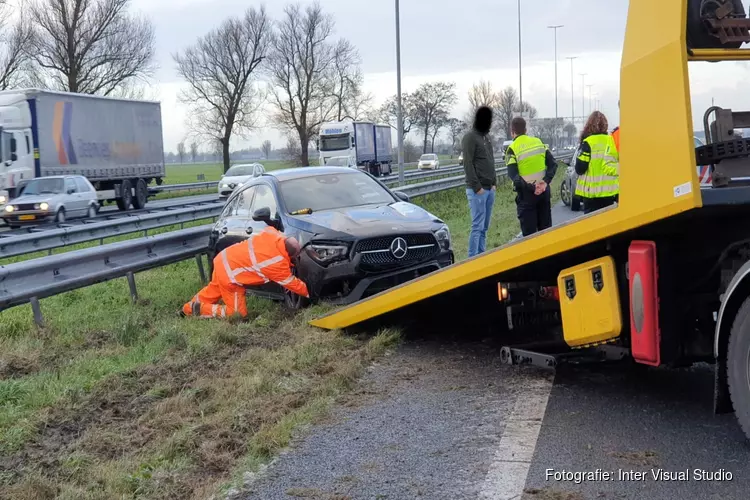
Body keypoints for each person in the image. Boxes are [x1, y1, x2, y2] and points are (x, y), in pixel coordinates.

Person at [181, 226, 309, 319]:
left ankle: (188, 308)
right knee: (237, 314)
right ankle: (201, 309)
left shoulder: (275, 235)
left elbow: (271, 228)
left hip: (223, 259)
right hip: (231, 275)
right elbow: (292, 283)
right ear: (288, 254)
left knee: (214, 289)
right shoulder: (275, 263)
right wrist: (310, 293)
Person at [504, 117, 558, 237]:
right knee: (546, 234)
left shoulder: (512, 149)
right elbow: (553, 164)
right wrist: (545, 182)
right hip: (544, 193)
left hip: (527, 196)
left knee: (530, 238)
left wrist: (533, 189)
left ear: (512, 131)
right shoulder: (539, 142)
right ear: (526, 129)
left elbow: (515, 178)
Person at [462, 105, 497, 257]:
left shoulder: (486, 138)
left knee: (484, 227)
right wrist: (477, 187)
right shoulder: (470, 137)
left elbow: (491, 160)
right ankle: (472, 259)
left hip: (490, 189)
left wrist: (494, 183)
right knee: (477, 226)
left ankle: (482, 257)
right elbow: (468, 163)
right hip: (477, 190)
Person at [574, 111, 619, 214]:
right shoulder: (612, 140)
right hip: (610, 193)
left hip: (592, 195)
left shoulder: (588, 143)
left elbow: (580, 169)